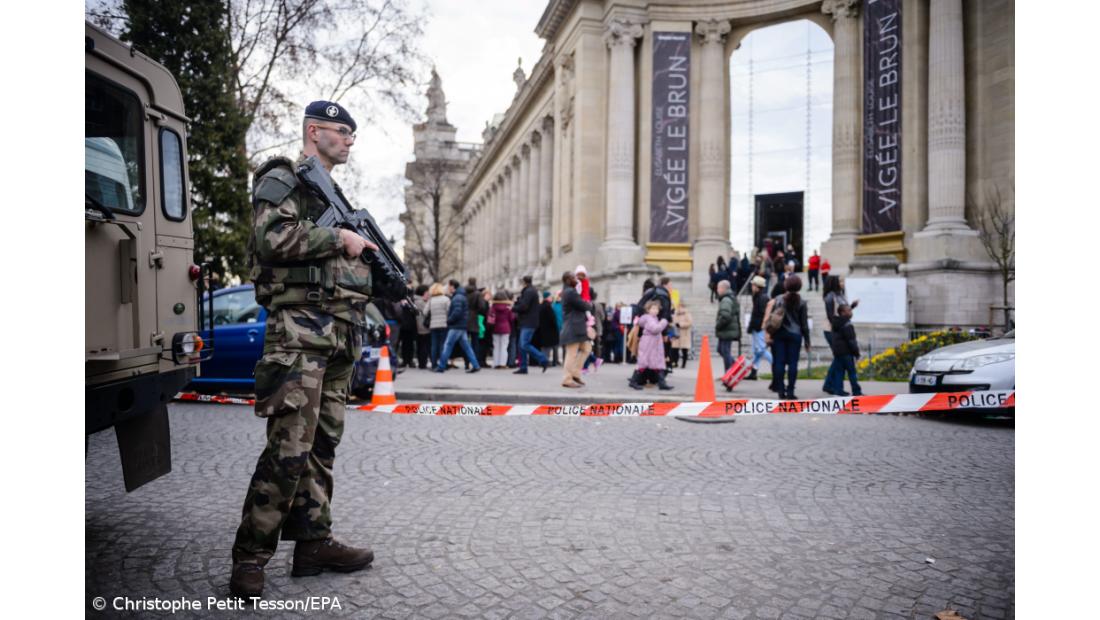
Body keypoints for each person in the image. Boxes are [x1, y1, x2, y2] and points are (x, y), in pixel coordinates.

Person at [231, 100, 376, 598]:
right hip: (298, 332)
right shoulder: (283, 176)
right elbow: (271, 238)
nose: (349, 139)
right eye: (342, 130)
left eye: (352, 133)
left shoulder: (331, 193)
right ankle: (250, 557)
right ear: (314, 131)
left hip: (339, 333)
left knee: (321, 446)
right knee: (288, 448)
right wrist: (338, 237)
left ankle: (313, 545)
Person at [763, 275, 811, 400]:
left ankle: (780, 390)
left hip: (779, 334)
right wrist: (807, 341)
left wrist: (768, 334)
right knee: (793, 364)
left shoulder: (778, 299)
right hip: (795, 335)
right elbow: (804, 324)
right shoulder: (802, 302)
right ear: (799, 286)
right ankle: (790, 391)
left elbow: (772, 318)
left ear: (786, 285)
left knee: (779, 362)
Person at [822, 275, 860, 395]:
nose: (843, 283)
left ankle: (829, 385)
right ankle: (831, 385)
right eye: (841, 281)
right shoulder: (830, 297)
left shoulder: (840, 295)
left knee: (839, 358)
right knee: (840, 357)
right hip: (832, 330)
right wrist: (839, 327)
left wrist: (852, 306)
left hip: (841, 328)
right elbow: (831, 316)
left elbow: (843, 311)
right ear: (835, 283)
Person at [434, 279, 480, 373]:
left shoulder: (457, 297)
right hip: (461, 325)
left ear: (452, 286)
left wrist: (449, 320)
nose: (447, 288)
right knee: (467, 347)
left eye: (448, 286)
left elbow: (457, 312)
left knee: (448, 345)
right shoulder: (461, 296)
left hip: (456, 326)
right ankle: (476, 365)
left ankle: (441, 366)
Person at [559, 271, 593, 388]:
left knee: (586, 349)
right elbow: (584, 305)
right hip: (573, 327)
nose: (577, 280)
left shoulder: (568, 291)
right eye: (574, 278)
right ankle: (567, 379)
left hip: (576, 326)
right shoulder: (570, 292)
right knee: (571, 353)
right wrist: (588, 304)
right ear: (568, 280)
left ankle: (575, 373)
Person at [629, 300, 672, 390]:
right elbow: (655, 329)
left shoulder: (654, 318)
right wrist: (664, 321)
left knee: (656, 363)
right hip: (648, 344)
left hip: (653, 344)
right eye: (653, 308)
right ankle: (633, 381)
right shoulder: (648, 318)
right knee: (644, 362)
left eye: (657, 309)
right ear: (648, 310)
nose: (655, 310)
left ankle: (662, 383)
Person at [511, 275, 549, 374]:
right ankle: (523, 367)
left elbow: (524, 306)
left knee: (524, 344)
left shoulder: (529, 291)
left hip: (528, 322)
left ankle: (543, 359)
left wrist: (513, 307)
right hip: (527, 321)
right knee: (521, 345)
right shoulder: (531, 291)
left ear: (524, 282)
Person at [828, 304, 863, 396]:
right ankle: (856, 391)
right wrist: (856, 353)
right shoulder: (847, 324)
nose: (851, 312)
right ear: (843, 313)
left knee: (839, 372)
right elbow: (851, 340)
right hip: (847, 352)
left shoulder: (836, 322)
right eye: (849, 310)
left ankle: (838, 390)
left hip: (838, 352)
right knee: (852, 372)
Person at [745, 275, 773, 381]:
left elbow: (759, 315)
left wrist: (755, 326)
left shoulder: (761, 298)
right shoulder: (758, 297)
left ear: (757, 287)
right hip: (756, 327)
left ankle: (777, 366)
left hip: (759, 327)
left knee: (761, 350)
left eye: (753, 285)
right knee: (755, 350)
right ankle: (753, 372)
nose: (752, 286)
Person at [714, 280, 741, 371]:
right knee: (721, 349)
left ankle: (729, 372)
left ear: (723, 288)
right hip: (727, 329)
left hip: (727, 330)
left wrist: (718, 325)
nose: (717, 290)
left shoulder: (726, 300)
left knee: (725, 351)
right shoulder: (728, 298)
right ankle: (735, 366)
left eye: (718, 288)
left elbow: (725, 316)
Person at [426, 282, 450, 369]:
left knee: (434, 345)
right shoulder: (446, 299)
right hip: (444, 324)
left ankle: (433, 364)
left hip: (433, 325)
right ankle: (442, 364)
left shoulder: (431, 300)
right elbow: (449, 311)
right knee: (442, 344)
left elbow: (425, 312)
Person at [488, 291, 514, 369]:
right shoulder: (508, 307)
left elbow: (490, 319)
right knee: (504, 347)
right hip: (506, 328)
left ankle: (496, 363)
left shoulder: (492, 307)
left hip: (495, 328)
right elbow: (512, 318)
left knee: (496, 346)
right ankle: (502, 364)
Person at [463, 284, 484, 370]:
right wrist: (476, 312)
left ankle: (466, 363)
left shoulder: (464, 293)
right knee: (475, 343)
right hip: (474, 320)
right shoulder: (477, 294)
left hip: (465, 319)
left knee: (465, 342)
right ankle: (475, 362)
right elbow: (481, 307)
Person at [537, 291, 560, 366]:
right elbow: (552, 319)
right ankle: (544, 361)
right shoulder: (548, 306)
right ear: (547, 297)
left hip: (542, 329)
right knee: (547, 347)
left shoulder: (541, 306)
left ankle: (543, 361)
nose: (551, 298)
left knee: (544, 347)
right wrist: (555, 327)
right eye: (550, 297)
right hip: (549, 330)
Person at [412, 284, 431, 369]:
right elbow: (426, 311)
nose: (428, 294)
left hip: (419, 326)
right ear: (423, 292)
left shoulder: (416, 300)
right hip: (422, 326)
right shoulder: (420, 301)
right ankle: (422, 363)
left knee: (421, 345)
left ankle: (422, 363)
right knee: (423, 345)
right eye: (427, 292)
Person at [671, 302, 694, 369]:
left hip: (684, 334)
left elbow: (689, 322)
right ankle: (675, 362)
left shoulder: (687, 314)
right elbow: (673, 321)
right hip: (676, 334)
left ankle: (684, 364)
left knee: (684, 350)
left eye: (681, 307)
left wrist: (680, 324)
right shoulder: (675, 314)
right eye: (678, 306)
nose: (679, 308)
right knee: (674, 349)